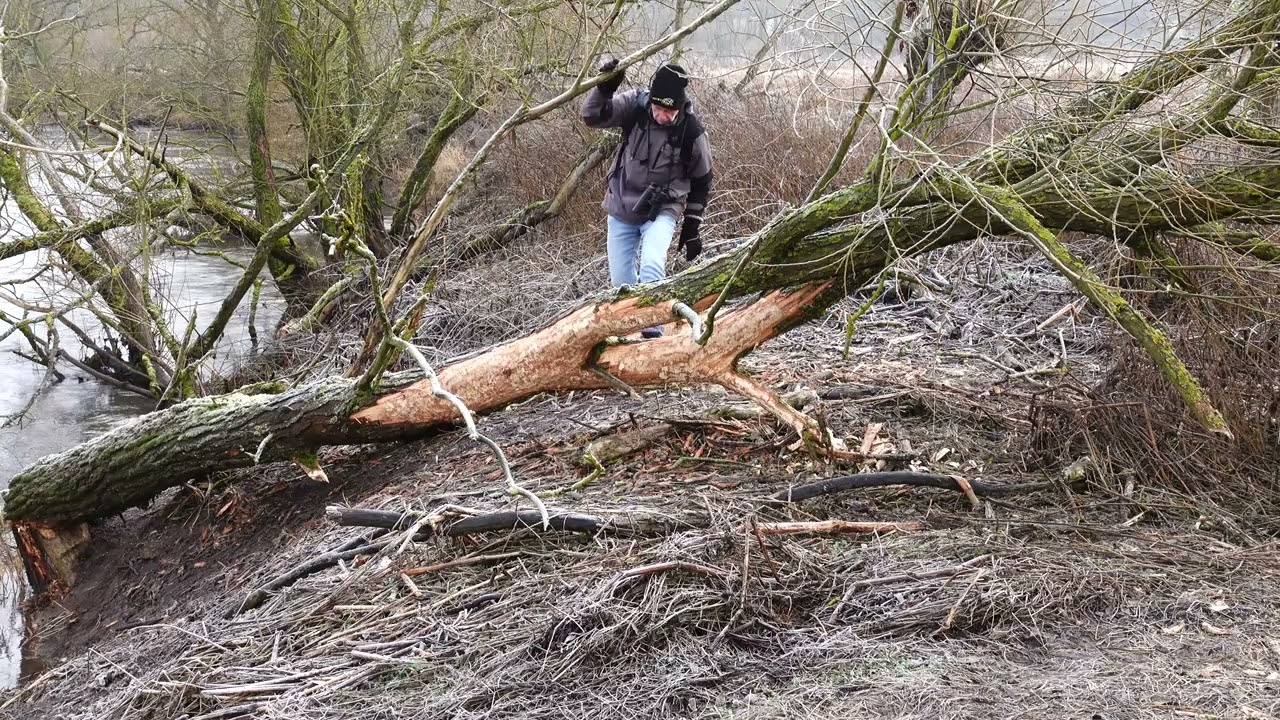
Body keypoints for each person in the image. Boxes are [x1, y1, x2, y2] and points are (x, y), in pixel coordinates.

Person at [581, 59, 714, 338]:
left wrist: (692, 227)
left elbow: (702, 179)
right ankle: (632, 330)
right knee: (622, 284)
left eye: (669, 111)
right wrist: (604, 88)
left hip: (663, 208)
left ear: (679, 107)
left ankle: (652, 331)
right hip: (622, 204)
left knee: (653, 263)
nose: (662, 115)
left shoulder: (691, 131)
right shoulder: (635, 106)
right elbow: (592, 116)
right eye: (658, 108)